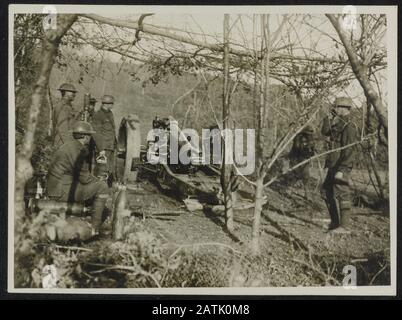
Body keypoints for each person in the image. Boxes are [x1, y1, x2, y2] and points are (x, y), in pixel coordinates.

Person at [46, 121, 110, 234]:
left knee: (94, 187)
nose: (90, 138)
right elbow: (85, 178)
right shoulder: (76, 151)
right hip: (61, 190)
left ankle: (84, 218)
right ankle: (94, 228)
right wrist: (99, 181)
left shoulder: (69, 145)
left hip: (57, 187)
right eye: (89, 135)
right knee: (102, 187)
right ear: (85, 136)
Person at [321, 97, 357, 234]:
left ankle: (345, 226)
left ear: (344, 108)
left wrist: (342, 169)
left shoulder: (350, 125)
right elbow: (324, 132)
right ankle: (335, 223)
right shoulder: (339, 123)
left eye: (336, 107)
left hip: (342, 165)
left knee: (343, 192)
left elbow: (350, 149)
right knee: (325, 192)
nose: (334, 109)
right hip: (333, 164)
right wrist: (328, 118)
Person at [92, 95, 117, 185]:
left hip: (109, 146)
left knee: (109, 169)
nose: (112, 105)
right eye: (111, 103)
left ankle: (105, 189)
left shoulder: (109, 113)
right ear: (106, 104)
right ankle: (99, 190)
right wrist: (101, 148)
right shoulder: (98, 115)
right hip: (103, 148)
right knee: (102, 169)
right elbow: (97, 133)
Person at [53, 83, 78, 149]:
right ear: (65, 92)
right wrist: (69, 145)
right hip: (62, 144)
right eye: (72, 92)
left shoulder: (68, 107)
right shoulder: (63, 107)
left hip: (66, 143)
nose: (74, 94)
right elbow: (62, 129)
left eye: (74, 92)